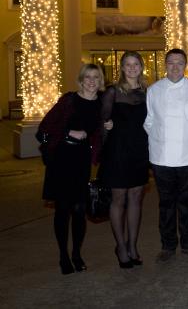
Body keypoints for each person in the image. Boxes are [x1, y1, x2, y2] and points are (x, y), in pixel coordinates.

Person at [38, 64, 105, 274]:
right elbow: (44, 129)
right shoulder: (69, 100)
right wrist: (69, 133)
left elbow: (103, 131)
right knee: (63, 209)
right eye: (87, 77)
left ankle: (76, 254)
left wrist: (108, 128)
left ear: (100, 80)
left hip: (82, 161)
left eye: (96, 77)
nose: (91, 81)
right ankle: (63, 256)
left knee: (79, 210)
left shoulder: (102, 104)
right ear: (81, 79)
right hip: (62, 160)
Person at [144, 48, 188, 263]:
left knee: (186, 202)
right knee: (166, 203)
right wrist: (159, 140)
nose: (175, 66)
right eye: (171, 62)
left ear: (185, 65)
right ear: (165, 64)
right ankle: (168, 244)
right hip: (161, 157)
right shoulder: (154, 90)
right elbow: (149, 121)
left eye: (180, 63)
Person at [101, 51, 149, 268]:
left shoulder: (147, 92)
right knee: (119, 198)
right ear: (121, 68)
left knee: (136, 198)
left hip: (139, 150)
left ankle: (132, 245)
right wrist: (105, 128)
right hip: (117, 151)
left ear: (141, 67)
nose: (132, 68)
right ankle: (120, 246)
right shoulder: (112, 92)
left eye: (135, 64)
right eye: (127, 64)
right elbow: (101, 122)